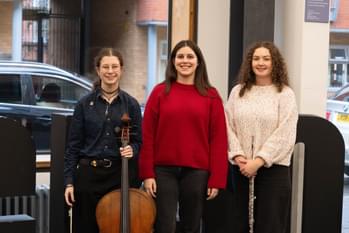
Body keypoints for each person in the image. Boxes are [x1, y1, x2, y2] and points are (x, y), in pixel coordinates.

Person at [139, 40, 228, 233]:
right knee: (165, 225)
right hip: (163, 171)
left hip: (197, 171)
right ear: (172, 61)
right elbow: (148, 135)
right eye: (180, 56)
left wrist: (216, 179)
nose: (185, 61)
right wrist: (147, 174)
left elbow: (219, 140)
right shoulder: (159, 92)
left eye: (190, 56)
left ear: (198, 62)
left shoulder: (211, 96)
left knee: (192, 225)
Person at [64, 48, 142, 233]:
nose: (110, 71)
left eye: (115, 66)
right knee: (85, 228)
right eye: (105, 67)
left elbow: (139, 141)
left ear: (121, 70)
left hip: (119, 176)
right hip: (88, 176)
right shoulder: (84, 104)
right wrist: (69, 182)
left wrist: (133, 149)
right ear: (98, 70)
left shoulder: (131, 104)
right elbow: (73, 146)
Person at [225, 41, 298, 233]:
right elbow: (227, 126)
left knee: (270, 225)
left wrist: (257, 161)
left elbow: (285, 133)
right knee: (239, 223)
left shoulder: (285, 94)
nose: (260, 63)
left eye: (266, 58)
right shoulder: (237, 92)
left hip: (273, 171)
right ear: (250, 63)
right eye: (256, 58)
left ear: (275, 63)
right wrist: (238, 156)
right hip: (240, 169)